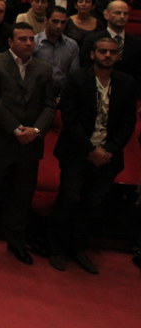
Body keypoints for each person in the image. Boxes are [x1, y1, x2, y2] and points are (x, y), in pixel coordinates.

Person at [0, 23, 56, 265]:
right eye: (23, 39)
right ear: (10, 42)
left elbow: (49, 105)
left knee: (21, 196)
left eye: (30, 39)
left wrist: (35, 130)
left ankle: (16, 242)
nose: (28, 43)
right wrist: (16, 129)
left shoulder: (44, 69)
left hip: (30, 143)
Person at [48, 37, 139, 274]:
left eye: (112, 52)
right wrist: (90, 151)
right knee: (68, 199)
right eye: (102, 51)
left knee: (92, 204)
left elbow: (128, 123)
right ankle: (57, 248)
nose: (107, 56)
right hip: (77, 152)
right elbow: (70, 118)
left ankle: (78, 248)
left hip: (108, 157)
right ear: (92, 54)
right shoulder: (77, 78)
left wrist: (107, 150)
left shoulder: (127, 83)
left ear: (118, 56)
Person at [33, 6, 80, 95]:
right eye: (55, 21)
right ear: (46, 20)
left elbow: (74, 73)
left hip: (63, 92)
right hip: (38, 92)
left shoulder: (72, 45)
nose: (59, 26)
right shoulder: (34, 42)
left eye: (63, 23)